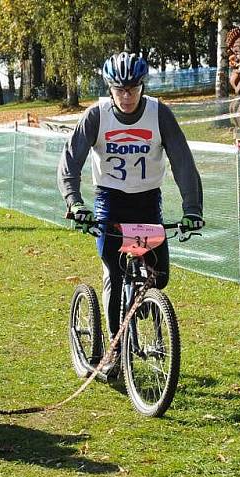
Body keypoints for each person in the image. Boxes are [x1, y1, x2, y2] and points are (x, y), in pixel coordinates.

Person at [57, 52, 204, 374]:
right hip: (110, 201)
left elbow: (182, 161)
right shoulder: (96, 116)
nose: (126, 96)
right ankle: (112, 349)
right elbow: (70, 163)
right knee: (115, 267)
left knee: (158, 276)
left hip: (147, 201)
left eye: (132, 89)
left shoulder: (158, 114)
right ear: (110, 88)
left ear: (142, 86)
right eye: (119, 90)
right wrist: (75, 203)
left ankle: (143, 302)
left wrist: (193, 209)